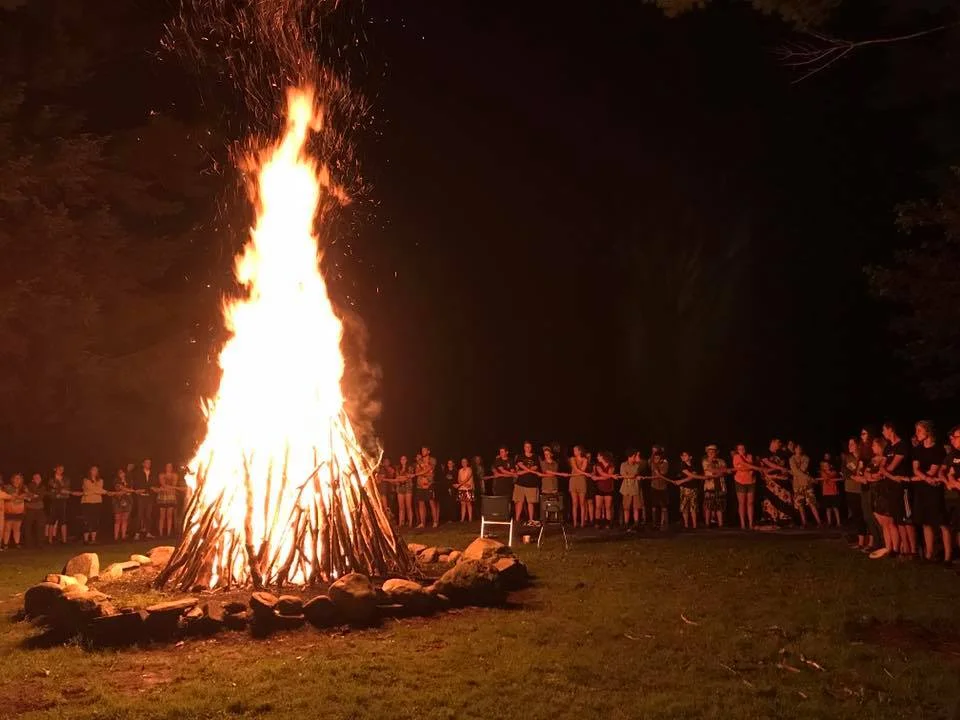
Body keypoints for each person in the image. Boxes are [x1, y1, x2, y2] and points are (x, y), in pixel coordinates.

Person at [911, 420, 948, 562]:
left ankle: (947, 556)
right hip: (922, 488)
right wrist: (926, 479)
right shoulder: (917, 450)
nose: (917, 434)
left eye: (919, 430)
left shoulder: (938, 449)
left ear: (928, 431)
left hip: (934, 490)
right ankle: (929, 553)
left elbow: (934, 470)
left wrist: (925, 477)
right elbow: (916, 468)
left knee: (940, 522)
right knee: (925, 522)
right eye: (916, 430)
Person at [882, 422, 915, 558]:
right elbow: (882, 467)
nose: (883, 432)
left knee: (907, 519)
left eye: (884, 430)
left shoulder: (902, 446)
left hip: (903, 487)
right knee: (898, 519)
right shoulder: (888, 447)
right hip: (892, 486)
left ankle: (913, 550)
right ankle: (904, 549)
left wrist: (887, 472)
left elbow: (890, 467)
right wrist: (890, 475)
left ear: (891, 430)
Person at [868, 436, 900, 559]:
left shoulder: (885, 459)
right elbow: (867, 474)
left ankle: (895, 548)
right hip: (876, 492)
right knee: (882, 522)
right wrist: (872, 476)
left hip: (886, 491)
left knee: (889, 521)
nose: (872, 447)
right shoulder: (873, 460)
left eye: (874, 445)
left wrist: (874, 475)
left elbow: (880, 474)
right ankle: (888, 546)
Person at [841, 439, 868, 548]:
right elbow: (845, 471)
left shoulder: (863, 457)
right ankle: (861, 541)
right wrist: (855, 476)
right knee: (857, 515)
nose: (850, 446)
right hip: (851, 489)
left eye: (852, 444)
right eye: (849, 444)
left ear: (858, 445)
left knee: (866, 515)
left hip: (862, 489)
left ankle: (870, 540)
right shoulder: (847, 458)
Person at [760, 439, 793, 526]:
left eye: (780, 443)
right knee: (771, 500)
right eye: (778, 442)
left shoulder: (781, 454)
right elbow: (767, 465)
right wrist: (780, 468)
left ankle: (784, 520)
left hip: (781, 480)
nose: (780, 444)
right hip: (770, 482)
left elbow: (786, 464)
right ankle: (771, 519)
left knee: (783, 499)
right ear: (772, 442)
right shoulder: (765, 453)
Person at [789, 443, 821, 528]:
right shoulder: (791, 459)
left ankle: (819, 522)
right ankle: (804, 523)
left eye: (800, 448)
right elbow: (795, 471)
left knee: (812, 503)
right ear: (794, 449)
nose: (799, 449)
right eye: (797, 448)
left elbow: (802, 469)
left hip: (807, 484)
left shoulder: (806, 458)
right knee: (800, 504)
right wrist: (810, 478)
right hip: (797, 484)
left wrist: (794, 472)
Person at [732, 444, 760, 530]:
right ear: (737, 450)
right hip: (740, 481)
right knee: (742, 503)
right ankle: (743, 523)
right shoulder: (736, 456)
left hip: (751, 481)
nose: (742, 450)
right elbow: (743, 465)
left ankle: (751, 523)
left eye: (743, 448)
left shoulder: (750, 456)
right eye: (740, 449)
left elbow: (745, 467)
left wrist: (750, 467)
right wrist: (755, 468)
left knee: (750, 503)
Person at [943, 425, 960, 563]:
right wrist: (953, 481)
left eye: (956, 437)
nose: (953, 439)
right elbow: (950, 473)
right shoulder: (954, 454)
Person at [513, 441, 540, 525]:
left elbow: (536, 467)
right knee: (519, 501)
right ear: (524, 447)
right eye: (526, 446)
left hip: (531, 483)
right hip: (520, 483)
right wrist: (529, 470)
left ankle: (531, 520)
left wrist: (524, 471)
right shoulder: (520, 456)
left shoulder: (535, 456)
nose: (527, 448)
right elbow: (520, 464)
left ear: (531, 447)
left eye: (529, 446)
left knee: (530, 502)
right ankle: (517, 520)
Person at [702, 445, 727, 528]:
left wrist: (718, 473)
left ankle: (720, 524)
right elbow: (709, 470)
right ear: (707, 453)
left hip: (720, 485)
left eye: (713, 451)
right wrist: (719, 472)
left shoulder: (721, 461)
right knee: (708, 505)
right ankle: (707, 524)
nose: (712, 453)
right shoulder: (705, 461)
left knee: (719, 506)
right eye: (710, 452)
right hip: (709, 486)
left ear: (716, 452)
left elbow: (724, 471)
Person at [80, 465, 106, 544]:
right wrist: (102, 491)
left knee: (95, 520)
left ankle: (93, 539)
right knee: (87, 520)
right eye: (93, 470)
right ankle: (86, 539)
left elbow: (99, 489)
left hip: (97, 502)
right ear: (90, 471)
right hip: (87, 502)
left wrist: (98, 491)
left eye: (96, 470)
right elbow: (94, 489)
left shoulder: (100, 480)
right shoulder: (85, 480)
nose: (95, 472)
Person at [131, 458, 155, 540]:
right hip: (141, 496)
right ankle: (137, 533)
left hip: (149, 496)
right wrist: (137, 490)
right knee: (140, 515)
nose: (149, 464)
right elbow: (135, 483)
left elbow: (153, 484)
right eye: (147, 463)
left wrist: (153, 489)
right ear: (143, 464)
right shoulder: (139, 473)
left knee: (148, 515)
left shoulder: (152, 473)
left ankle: (148, 532)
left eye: (150, 463)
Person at [45, 464, 71, 544]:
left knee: (63, 520)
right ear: (55, 469)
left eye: (62, 469)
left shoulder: (66, 479)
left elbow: (67, 489)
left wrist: (59, 489)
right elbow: (51, 489)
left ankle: (64, 540)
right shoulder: (51, 479)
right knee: (52, 520)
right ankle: (50, 540)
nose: (61, 470)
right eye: (59, 469)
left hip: (63, 501)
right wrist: (58, 491)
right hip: (53, 501)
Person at [414, 446, 438, 528]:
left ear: (428, 451)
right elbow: (418, 471)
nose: (423, 451)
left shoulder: (432, 460)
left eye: (424, 450)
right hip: (420, 484)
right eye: (422, 450)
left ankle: (435, 522)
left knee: (431, 502)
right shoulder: (419, 461)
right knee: (421, 503)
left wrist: (420, 473)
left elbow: (430, 470)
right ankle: (422, 523)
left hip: (429, 484)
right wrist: (422, 473)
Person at [676, 451, 700, 529]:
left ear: (690, 457)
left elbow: (692, 476)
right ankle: (686, 525)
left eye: (685, 455)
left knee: (693, 507)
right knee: (685, 507)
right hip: (684, 489)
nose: (683, 456)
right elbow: (690, 475)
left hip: (693, 488)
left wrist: (681, 481)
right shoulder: (682, 465)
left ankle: (694, 525)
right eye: (682, 455)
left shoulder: (694, 466)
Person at [592, 451, 616, 529]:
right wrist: (612, 475)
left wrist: (597, 478)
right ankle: (597, 522)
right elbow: (602, 473)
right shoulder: (598, 465)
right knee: (598, 506)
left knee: (608, 507)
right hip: (599, 487)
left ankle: (608, 523)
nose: (597, 457)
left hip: (609, 488)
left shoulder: (611, 465)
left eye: (598, 456)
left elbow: (607, 476)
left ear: (603, 457)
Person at [3, 473, 27, 549]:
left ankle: (17, 543)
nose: (17, 480)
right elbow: (8, 496)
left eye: (19, 478)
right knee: (7, 528)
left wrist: (23, 495)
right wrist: (18, 497)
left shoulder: (23, 488)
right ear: (12, 479)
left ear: (21, 480)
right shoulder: (7, 487)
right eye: (16, 478)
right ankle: (5, 544)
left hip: (19, 511)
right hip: (9, 510)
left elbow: (27, 496)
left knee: (17, 528)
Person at [619, 449, 642, 528]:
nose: (635, 458)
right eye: (634, 456)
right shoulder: (623, 465)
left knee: (636, 507)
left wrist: (631, 475)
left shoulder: (637, 465)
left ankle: (636, 523)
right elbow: (623, 474)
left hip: (635, 488)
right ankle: (626, 523)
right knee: (626, 507)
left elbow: (635, 473)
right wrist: (631, 476)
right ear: (631, 456)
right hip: (626, 489)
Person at [155, 463, 179, 537]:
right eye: (167, 466)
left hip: (171, 496)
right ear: (165, 467)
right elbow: (162, 484)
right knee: (162, 515)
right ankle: (161, 533)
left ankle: (168, 533)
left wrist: (168, 488)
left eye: (170, 466)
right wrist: (169, 487)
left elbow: (174, 485)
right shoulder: (161, 475)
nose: (169, 468)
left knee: (169, 515)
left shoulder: (175, 475)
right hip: (163, 496)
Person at [23, 472, 46, 547]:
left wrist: (30, 495)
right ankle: (28, 543)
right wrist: (32, 496)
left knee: (40, 526)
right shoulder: (28, 486)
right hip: (30, 508)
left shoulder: (43, 487)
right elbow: (25, 497)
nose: (37, 479)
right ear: (33, 479)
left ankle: (40, 543)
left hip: (39, 509)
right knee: (28, 526)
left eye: (39, 477)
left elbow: (40, 497)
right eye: (35, 477)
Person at [649, 446, 670, 531]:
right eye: (655, 458)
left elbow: (663, 473)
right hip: (654, 487)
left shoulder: (665, 463)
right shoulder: (652, 463)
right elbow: (650, 461)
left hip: (663, 487)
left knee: (664, 506)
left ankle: (664, 524)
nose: (656, 459)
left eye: (658, 458)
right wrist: (653, 453)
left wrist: (657, 465)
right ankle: (654, 524)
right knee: (653, 506)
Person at [568, 445, 589, 528]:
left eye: (576, 450)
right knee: (574, 503)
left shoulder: (585, 459)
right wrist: (586, 474)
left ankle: (582, 523)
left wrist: (583, 473)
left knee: (582, 503)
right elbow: (575, 468)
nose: (574, 452)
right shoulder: (572, 459)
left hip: (581, 481)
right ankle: (575, 523)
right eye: (574, 450)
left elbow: (583, 469)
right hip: (573, 481)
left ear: (580, 451)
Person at [112, 467, 134, 541]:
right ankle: (116, 537)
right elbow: (119, 488)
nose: (121, 474)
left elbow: (131, 490)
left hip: (128, 501)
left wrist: (128, 490)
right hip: (118, 501)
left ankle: (123, 536)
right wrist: (128, 490)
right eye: (120, 472)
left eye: (123, 472)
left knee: (125, 519)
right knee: (117, 519)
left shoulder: (129, 480)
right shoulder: (116, 481)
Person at [819, 458, 841, 528]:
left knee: (835, 508)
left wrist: (826, 474)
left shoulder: (834, 472)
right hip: (826, 493)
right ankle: (829, 522)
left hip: (833, 492)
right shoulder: (822, 472)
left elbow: (829, 476)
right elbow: (825, 477)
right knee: (828, 508)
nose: (825, 467)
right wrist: (824, 472)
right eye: (824, 465)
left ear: (830, 466)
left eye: (826, 465)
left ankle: (838, 522)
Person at [395, 455, 414, 528]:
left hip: (408, 487)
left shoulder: (410, 468)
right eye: (401, 459)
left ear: (406, 460)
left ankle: (410, 523)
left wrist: (402, 478)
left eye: (404, 459)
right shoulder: (398, 469)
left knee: (408, 506)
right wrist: (401, 478)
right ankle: (401, 523)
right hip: (400, 488)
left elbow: (408, 477)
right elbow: (397, 478)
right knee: (401, 507)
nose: (403, 460)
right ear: (400, 460)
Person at [455, 458, 475, 522]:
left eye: (465, 462)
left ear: (467, 462)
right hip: (462, 488)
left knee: (468, 503)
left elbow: (467, 478)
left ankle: (470, 518)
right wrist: (462, 485)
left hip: (468, 489)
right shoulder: (460, 470)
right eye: (462, 462)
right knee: (462, 503)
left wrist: (460, 484)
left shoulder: (469, 469)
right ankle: (462, 518)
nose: (463, 463)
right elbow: (458, 479)